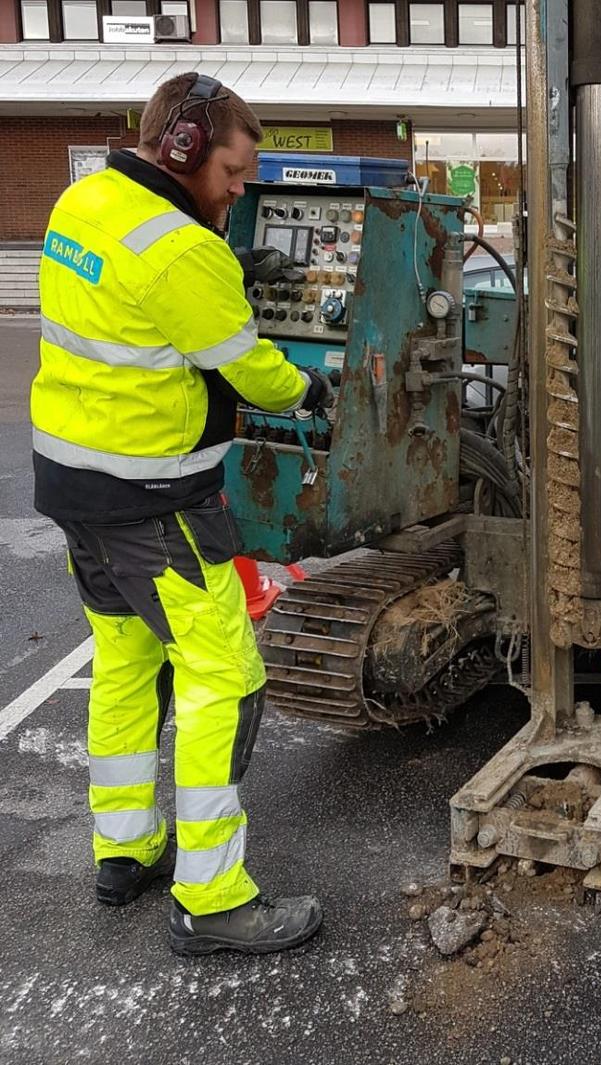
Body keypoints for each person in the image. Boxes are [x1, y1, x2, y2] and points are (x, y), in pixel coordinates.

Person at [29, 72, 332, 956]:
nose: (242, 190)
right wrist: (309, 387)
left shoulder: (83, 202)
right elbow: (252, 368)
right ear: (185, 151)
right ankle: (212, 896)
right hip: (155, 501)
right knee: (224, 678)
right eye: (235, 173)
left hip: (75, 489)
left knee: (125, 666)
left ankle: (124, 851)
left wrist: (230, 263)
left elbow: (138, 291)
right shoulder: (186, 254)